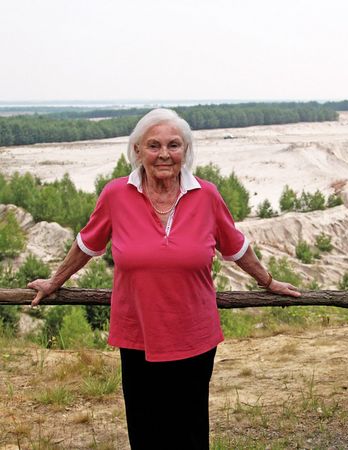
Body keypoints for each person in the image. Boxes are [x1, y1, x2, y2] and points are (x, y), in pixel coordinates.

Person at [27, 108, 301, 449]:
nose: (164, 154)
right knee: (145, 432)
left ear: (185, 151)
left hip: (194, 335)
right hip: (137, 332)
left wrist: (268, 281)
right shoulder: (115, 195)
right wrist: (55, 282)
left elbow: (236, 246)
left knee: (190, 431)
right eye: (154, 145)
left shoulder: (207, 195)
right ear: (137, 151)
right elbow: (86, 244)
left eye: (174, 145)